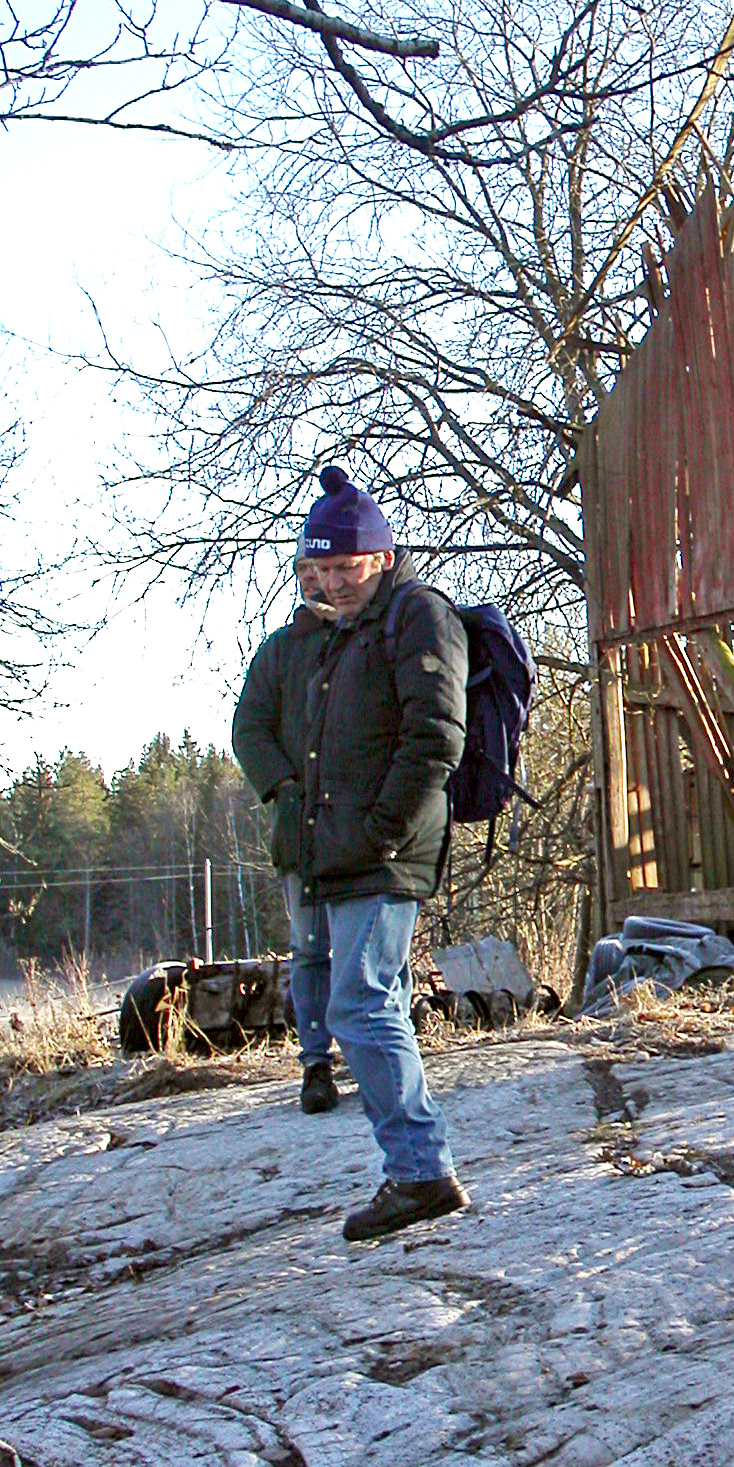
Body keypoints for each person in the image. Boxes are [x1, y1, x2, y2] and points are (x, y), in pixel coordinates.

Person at [234, 465, 471, 1242]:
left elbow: (435, 735)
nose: (334, 582)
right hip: (341, 849)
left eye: (347, 566)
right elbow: (279, 735)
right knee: (374, 1000)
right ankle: (416, 1168)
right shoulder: (336, 634)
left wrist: (383, 829)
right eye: (321, 568)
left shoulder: (418, 616)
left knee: (358, 1001)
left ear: (381, 556)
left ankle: (419, 1173)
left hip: (384, 847)